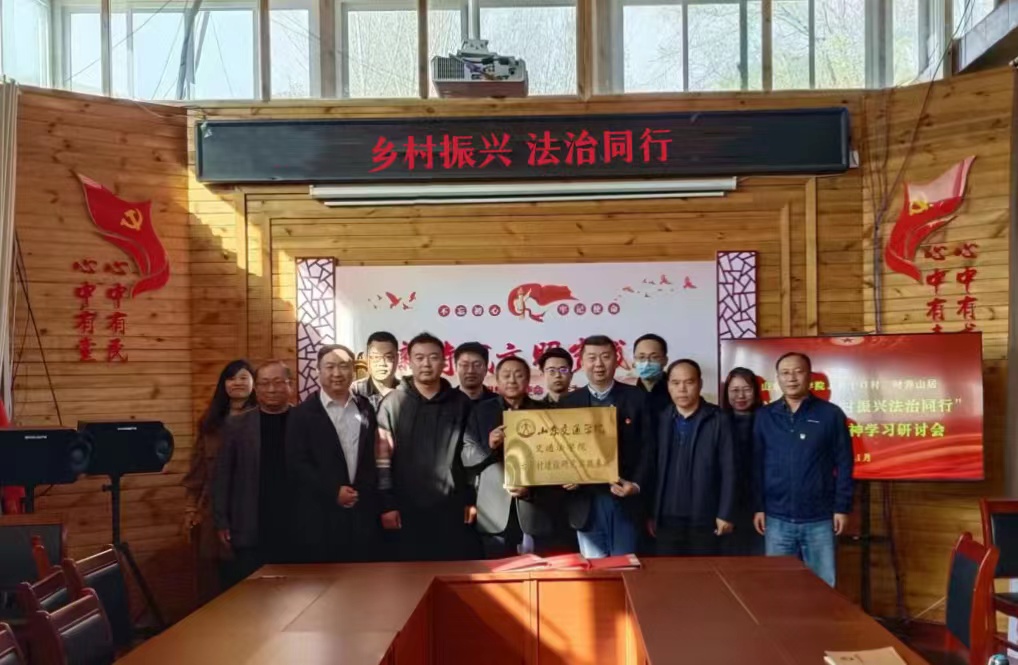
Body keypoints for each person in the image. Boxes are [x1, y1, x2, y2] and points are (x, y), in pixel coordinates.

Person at [753, 352, 853, 587]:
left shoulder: (830, 414)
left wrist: (841, 508)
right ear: (778, 378)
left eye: (798, 372)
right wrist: (758, 507)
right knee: (778, 587)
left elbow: (844, 463)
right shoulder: (765, 416)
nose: (791, 378)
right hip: (776, 519)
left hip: (819, 519)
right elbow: (756, 464)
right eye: (785, 373)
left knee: (822, 587)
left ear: (809, 376)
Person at [376, 332, 478, 561]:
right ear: (409, 362)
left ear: (444, 362)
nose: (426, 364)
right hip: (405, 508)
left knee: (451, 571)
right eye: (419, 358)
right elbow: (382, 460)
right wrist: (387, 504)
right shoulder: (393, 403)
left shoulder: (461, 403)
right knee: (409, 574)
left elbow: (471, 457)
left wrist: (471, 500)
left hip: (451, 508)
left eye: (433, 357)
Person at [462, 357, 575, 558]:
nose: (512, 380)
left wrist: (530, 488)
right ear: (497, 380)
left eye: (518, 375)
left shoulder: (545, 413)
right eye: (506, 375)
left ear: (528, 380)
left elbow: (556, 460)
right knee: (498, 569)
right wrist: (488, 446)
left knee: (542, 568)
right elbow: (466, 457)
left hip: (537, 507)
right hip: (494, 509)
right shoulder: (480, 411)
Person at [287, 345, 381, 563]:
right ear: (317, 371)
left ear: (353, 371)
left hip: (361, 513)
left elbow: (371, 456)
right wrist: (333, 491)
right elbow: (297, 464)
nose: (337, 373)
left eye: (344, 366)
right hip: (320, 516)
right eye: (330, 367)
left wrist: (360, 492)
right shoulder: (301, 414)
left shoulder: (366, 407)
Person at [560, 335, 647, 558]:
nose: (598, 364)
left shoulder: (637, 398)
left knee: (626, 565)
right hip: (585, 503)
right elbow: (560, 450)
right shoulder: (568, 403)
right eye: (592, 358)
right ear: (581, 362)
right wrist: (566, 474)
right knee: (594, 571)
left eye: (605, 357)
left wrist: (636, 485)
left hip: (624, 498)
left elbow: (648, 449)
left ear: (616, 360)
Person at [637, 360, 736, 556]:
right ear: (668, 386)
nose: (682, 389)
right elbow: (651, 469)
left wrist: (725, 513)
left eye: (689, 382)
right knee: (669, 573)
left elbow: (730, 470)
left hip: (705, 517)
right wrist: (651, 513)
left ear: (700, 384)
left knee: (704, 572)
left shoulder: (719, 419)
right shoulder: (661, 419)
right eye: (675, 383)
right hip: (666, 517)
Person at [212, 361, 294, 588]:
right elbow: (222, 476)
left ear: (290, 385)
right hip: (251, 522)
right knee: (253, 591)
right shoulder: (236, 425)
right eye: (264, 383)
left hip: (295, 522)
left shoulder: (304, 420)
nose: (271, 389)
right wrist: (221, 520)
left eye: (278, 382)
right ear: (256, 388)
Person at [182, 360, 255, 604]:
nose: (237, 383)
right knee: (219, 579)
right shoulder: (210, 422)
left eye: (243, 378)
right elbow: (197, 470)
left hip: (250, 509)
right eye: (231, 378)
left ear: (254, 383)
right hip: (215, 509)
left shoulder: (262, 419)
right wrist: (191, 508)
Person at [720, 367, 765, 556]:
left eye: (746, 389)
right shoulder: (718, 420)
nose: (740, 396)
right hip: (727, 507)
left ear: (756, 392)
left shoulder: (768, 420)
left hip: (761, 506)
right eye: (734, 390)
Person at [352, 331, 399, 411]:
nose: (382, 363)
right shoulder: (355, 391)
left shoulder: (407, 393)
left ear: (397, 359)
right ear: (367, 359)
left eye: (388, 357)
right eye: (376, 357)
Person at [633, 334, 670, 417]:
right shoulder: (628, 393)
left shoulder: (676, 391)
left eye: (654, 357)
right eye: (641, 357)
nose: (647, 363)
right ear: (634, 360)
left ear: (665, 360)